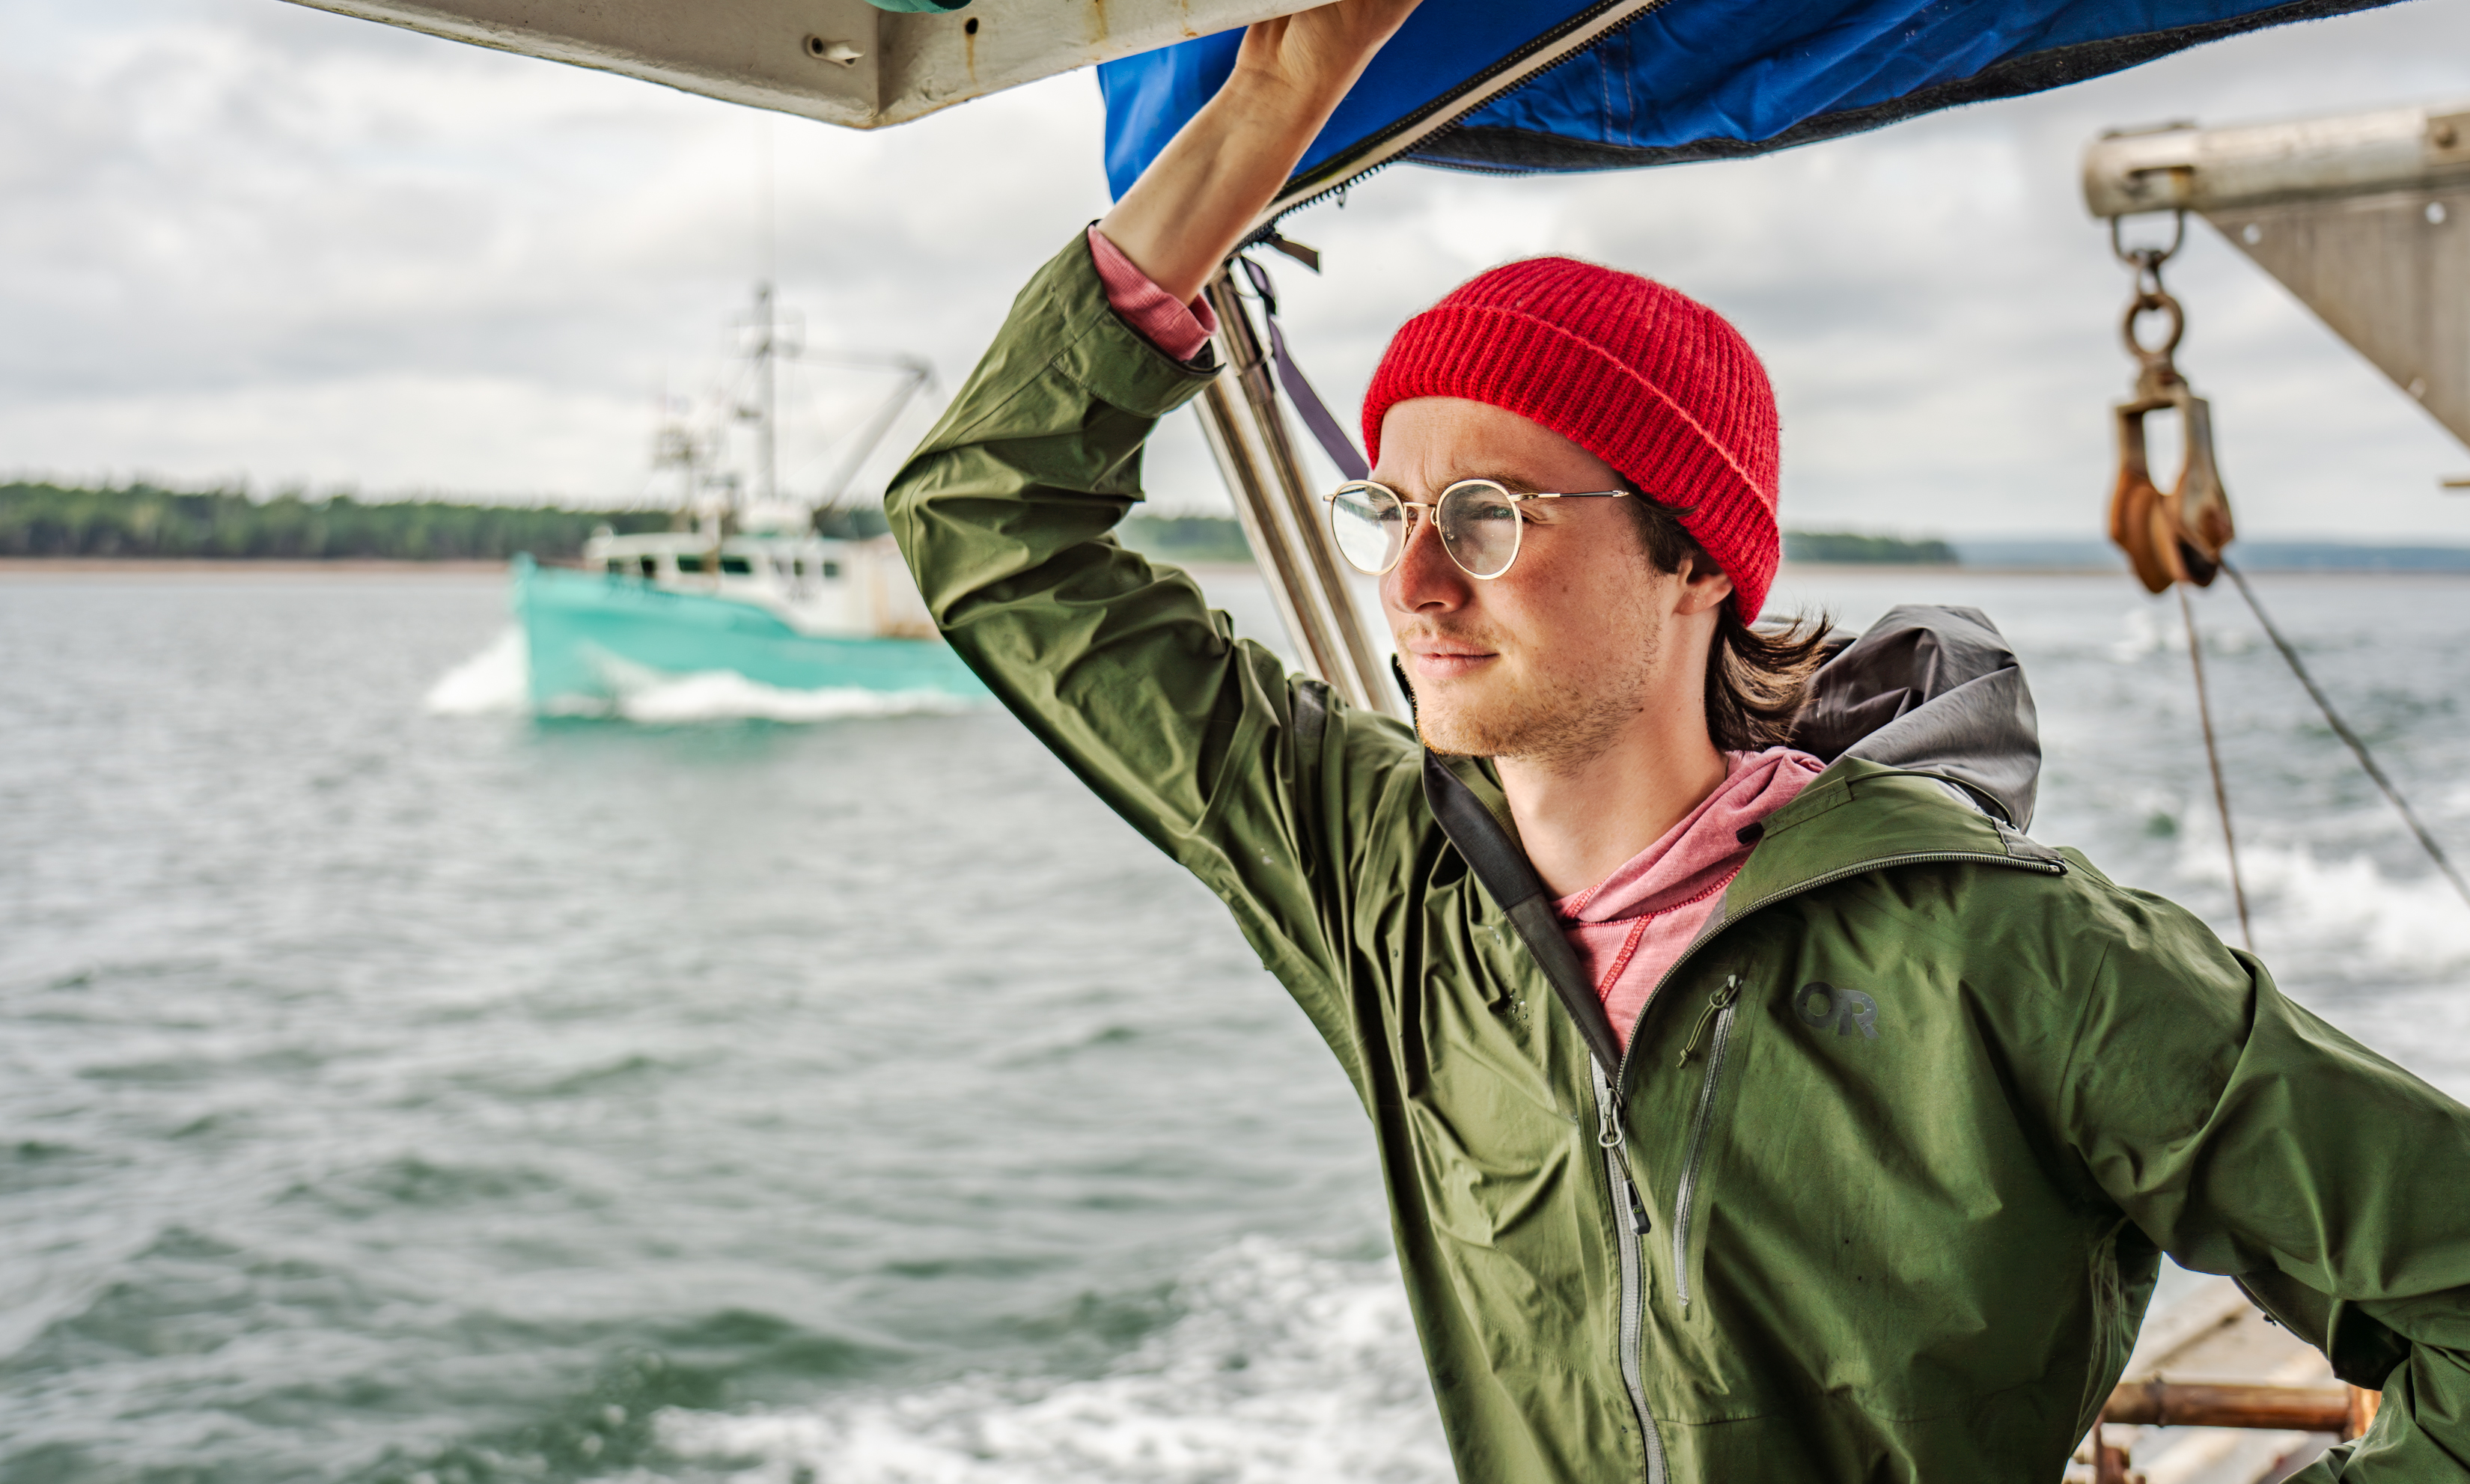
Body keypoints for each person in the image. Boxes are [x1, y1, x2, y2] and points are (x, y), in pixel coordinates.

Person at [885, 2, 2470, 1477]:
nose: (1416, 582)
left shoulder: (2011, 957)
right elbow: (988, 526)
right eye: (1387, 510)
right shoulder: (1380, 883)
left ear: (1696, 559)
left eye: (1491, 515)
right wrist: (1271, 106)